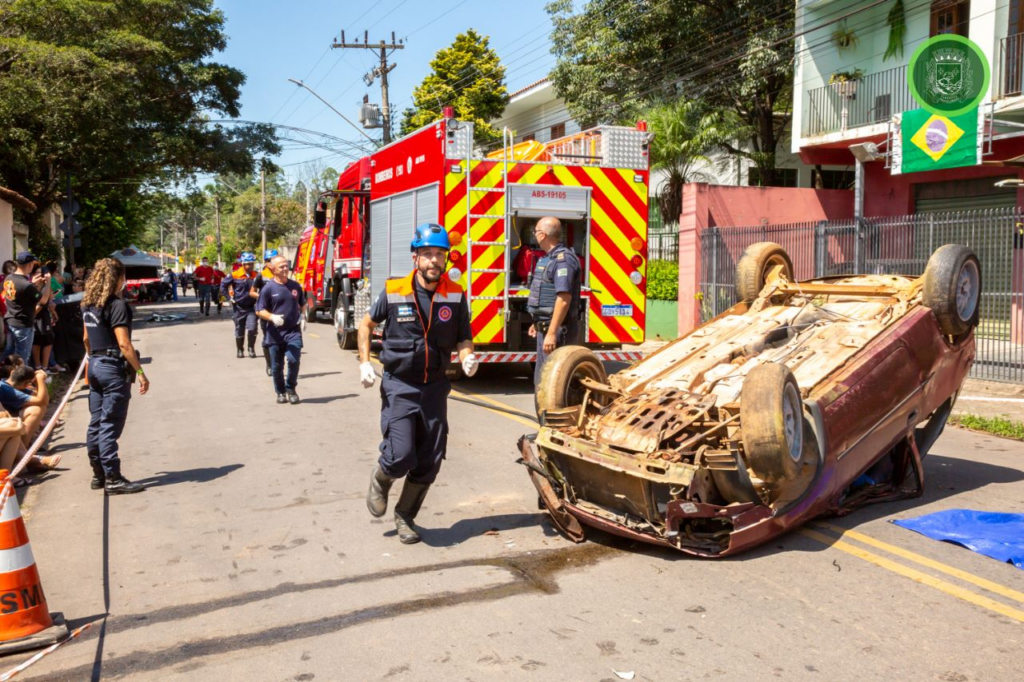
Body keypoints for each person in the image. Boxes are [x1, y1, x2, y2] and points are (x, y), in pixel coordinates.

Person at [358, 223, 478, 545]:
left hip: (435, 388)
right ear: (415, 257)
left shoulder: (455, 294)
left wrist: (467, 357)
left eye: (439, 254)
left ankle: (405, 515)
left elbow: (463, 337)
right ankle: (382, 477)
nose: (433, 261)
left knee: (430, 460)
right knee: (401, 455)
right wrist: (365, 362)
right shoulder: (395, 290)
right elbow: (365, 326)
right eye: (427, 254)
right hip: (400, 385)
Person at [82, 258, 149, 494]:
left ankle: (98, 473)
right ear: (118, 279)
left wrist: (93, 362)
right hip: (111, 368)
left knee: (96, 422)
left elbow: (86, 339)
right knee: (109, 425)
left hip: (95, 364)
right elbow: (124, 344)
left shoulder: (88, 304)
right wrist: (140, 372)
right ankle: (113, 477)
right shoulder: (117, 305)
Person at [526, 216, 582, 385]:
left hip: (559, 332)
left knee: (552, 384)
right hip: (549, 328)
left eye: (535, 232)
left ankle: (552, 412)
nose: (534, 235)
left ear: (542, 235)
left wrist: (551, 333)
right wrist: (537, 323)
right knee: (543, 381)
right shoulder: (550, 258)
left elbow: (564, 298)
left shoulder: (563, 260)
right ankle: (544, 412)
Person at [256, 255, 308, 404]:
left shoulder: (295, 286)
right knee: (277, 366)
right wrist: (272, 317)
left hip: (293, 331)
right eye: (281, 267)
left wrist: (303, 316)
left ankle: (291, 388)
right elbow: (259, 310)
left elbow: (302, 303)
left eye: (287, 265)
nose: (285, 269)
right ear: (273, 269)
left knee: (293, 360)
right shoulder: (268, 288)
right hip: (275, 333)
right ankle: (280, 392)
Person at [3, 252, 43, 362]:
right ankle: (19, 378)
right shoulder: (26, 285)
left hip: (10, 320)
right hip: (23, 324)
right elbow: (41, 299)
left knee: (9, 352)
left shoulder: (9, 278)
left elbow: (20, 293)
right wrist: (46, 283)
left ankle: (5, 376)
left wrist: (32, 285)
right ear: (30, 265)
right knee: (22, 357)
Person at [223, 252, 262, 359]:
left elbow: (263, 288)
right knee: (239, 329)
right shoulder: (235, 274)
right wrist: (229, 299)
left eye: (251, 264)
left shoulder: (257, 275)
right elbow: (223, 285)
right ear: (243, 264)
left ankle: (251, 348)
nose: (249, 266)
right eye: (247, 264)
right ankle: (240, 349)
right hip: (239, 307)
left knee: (252, 328)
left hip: (252, 307)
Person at [255, 250, 277, 376]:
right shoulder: (261, 275)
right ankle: (269, 365)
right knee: (268, 337)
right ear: (266, 262)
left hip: (279, 310)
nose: (271, 263)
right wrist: (262, 297)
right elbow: (252, 291)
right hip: (265, 311)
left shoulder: (282, 274)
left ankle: (277, 363)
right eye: (269, 261)